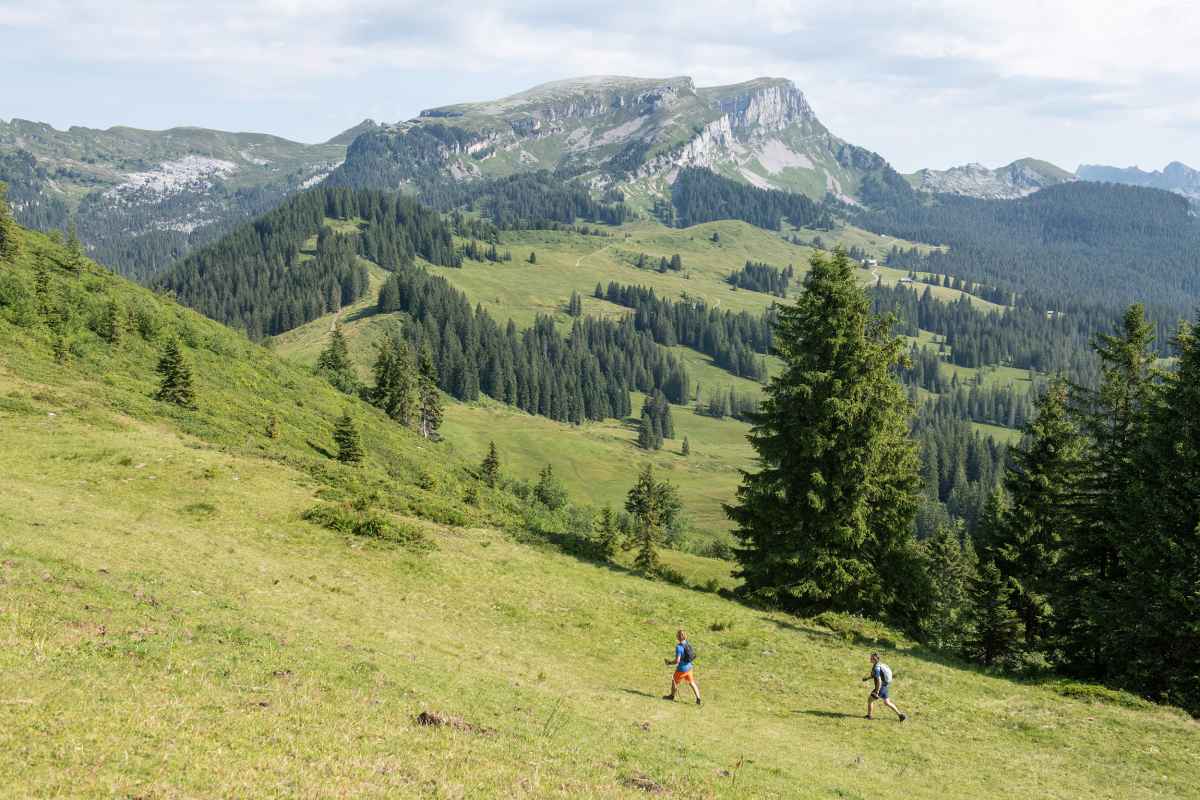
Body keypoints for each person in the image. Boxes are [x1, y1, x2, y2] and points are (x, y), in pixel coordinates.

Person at [862, 652, 906, 721]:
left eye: (872, 658)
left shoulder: (876, 668)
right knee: (887, 702)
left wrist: (877, 691)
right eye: (871, 657)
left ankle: (869, 716)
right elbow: (875, 675)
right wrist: (867, 678)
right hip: (885, 686)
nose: (870, 658)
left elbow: (879, 680)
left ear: (876, 659)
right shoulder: (881, 664)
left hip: (881, 687)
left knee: (870, 700)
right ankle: (900, 715)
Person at [663, 629, 701, 705]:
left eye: (677, 635)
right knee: (692, 682)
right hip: (689, 667)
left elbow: (677, 661)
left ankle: (672, 696)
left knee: (674, 680)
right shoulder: (687, 643)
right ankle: (698, 698)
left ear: (678, 637)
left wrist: (669, 662)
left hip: (682, 669)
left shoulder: (679, 647)